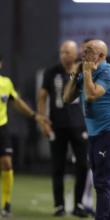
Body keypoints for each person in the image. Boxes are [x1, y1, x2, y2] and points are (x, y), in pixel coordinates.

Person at [63, 39, 110, 220]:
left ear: (101, 56)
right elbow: (67, 98)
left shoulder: (108, 71)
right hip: (95, 134)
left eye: (89, 50)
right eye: (84, 50)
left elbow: (91, 95)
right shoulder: (85, 73)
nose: (84, 53)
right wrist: (75, 76)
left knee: (103, 183)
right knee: (105, 184)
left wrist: (86, 73)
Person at [37, 40, 89, 217]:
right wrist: (43, 120)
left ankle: (79, 204)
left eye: (67, 52)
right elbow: (42, 96)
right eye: (62, 52)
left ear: (75, 54)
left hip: (79, 124)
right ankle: (59, 205)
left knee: (83, 165)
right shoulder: (51, 72)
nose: (64, 55)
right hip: (57, 125)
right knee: (57, 166)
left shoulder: (83, 70)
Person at [0, 54, 49, 217]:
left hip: (2, 128)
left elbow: (17, 102)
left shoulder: (6, 83)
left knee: (7, 164)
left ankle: (6, 204)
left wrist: (35, 115)